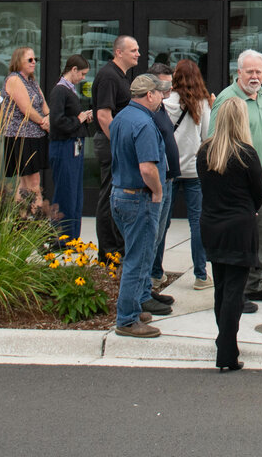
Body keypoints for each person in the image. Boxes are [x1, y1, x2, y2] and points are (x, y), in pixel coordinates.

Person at [210, 49, 262, 304]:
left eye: (258, 72)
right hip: (242, 188)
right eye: (250, 71)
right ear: (238, 72)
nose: (255, 76)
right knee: (242, 242)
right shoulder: (228, 100)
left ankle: (256, 285)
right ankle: (238, 293)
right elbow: (215, 143)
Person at [198, 96, 262, 371]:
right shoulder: (246, 153)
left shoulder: (206, 151)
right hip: (239, 227)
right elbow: (259, 191)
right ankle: (227, 350)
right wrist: (250, 209)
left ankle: (224, 340)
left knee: (221, 288)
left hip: (212, 224)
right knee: (234, 293)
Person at [111, 73, 168, 338]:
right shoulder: (144, 123)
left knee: (134, 255)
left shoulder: (121, 117)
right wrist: (158, 191)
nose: (162, 97)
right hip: (139, 197)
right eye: (159, 92)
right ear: (149, 95)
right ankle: (127, 319)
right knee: (139, 259)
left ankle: (133, 307)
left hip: (120, 194)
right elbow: (147, 168)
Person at [163, 57, 213, 291]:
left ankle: (155, 273)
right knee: (197, 223)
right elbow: (207, 137)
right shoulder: (202, 104)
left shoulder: (165, 103)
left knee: (162, 223)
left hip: (169, 170)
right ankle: (201, 275)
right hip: (194, 170)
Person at [93, 35, 142, 263]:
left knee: (117, 195)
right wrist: (120, 144)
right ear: (118, 52)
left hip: (117, 143)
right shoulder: (108, 76)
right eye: (133, 50)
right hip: (110, 143)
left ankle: (117, 248)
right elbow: (104, 115)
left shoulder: (120, 76)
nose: (138, 54)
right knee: (109, 196)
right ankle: (108, 252)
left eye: (138, 49)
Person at [145, 63, 183, 302]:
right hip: (157, 184)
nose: (168, 88)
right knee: (150, 237)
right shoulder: (145, 113)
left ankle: (150, 285)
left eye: (171, 83)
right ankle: (144, 292)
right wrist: (156, 188)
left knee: (159, 235)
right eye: (163, 84)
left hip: (168, 180)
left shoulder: (161, 108)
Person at [0, 47, 50, 213]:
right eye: (30, 60)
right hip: (22, 135)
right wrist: (43, 122)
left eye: (35, 60)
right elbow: (26, 108)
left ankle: (21, 218)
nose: (34, 63)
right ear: (19, 61)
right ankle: (36, 217)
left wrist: (49, 118)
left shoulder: (32, 81)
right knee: (33, 181)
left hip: (36, 134)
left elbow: (44, 105)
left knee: (25, 182)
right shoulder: (14, 79)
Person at [47, 54, 93, 243]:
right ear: (73, 69)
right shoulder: (60, 90)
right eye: (82, 74)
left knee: (74, 193)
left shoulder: (69, 90)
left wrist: (83, 119)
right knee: (66, 192)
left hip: (73, 145)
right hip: (64, 146)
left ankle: (72, 236)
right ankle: (61, 237)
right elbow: (57, 121)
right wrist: (78, 120)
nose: (83, 78)